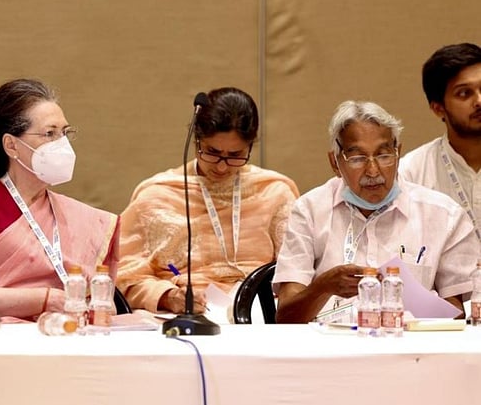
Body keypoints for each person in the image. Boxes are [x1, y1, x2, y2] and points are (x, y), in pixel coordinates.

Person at [274, 100, 479, 323]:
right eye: (358, 158)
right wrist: (323, 287)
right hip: (330, 350)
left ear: (398, 153)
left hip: (411, 350)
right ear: (335, 162)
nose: (373, 171)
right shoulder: (309, 211)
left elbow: (458, 316)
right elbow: (285, 317)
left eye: (383, 156)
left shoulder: (443, 215)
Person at [0, 78, 119, 322]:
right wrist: (46, 299)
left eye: (65, 133)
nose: (62, 144)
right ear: (12, 145)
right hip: (3, 341)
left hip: (68, 332)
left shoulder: (75, 214)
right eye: (49, 134)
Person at [117, 87, 299, 314]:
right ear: (196, 140)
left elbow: (297, 272)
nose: (222, 166)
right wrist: (167, 296)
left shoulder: (274, 192)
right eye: (212, 152)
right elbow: (122, 274)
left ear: (250, 146)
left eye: (235, 156)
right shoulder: (156, 196)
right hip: (183, 316)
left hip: (256, 315)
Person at [400, 43, 481, 240]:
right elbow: (396, 251)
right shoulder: (410, 174)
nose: (479, 101)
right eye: (464, 93)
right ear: (438, 108)